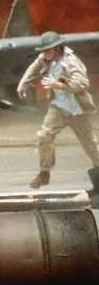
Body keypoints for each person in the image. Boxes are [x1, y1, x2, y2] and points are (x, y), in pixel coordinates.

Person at [17, 31, 99, 189]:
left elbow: (83, 84)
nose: (45, 53)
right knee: (44, 136)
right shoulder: (45, 58)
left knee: (91, 145)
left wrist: (59, 85)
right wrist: (23, 84)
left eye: (48, 50)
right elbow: (34, 67)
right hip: (58, 107)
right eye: (43, 50)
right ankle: (44, 172)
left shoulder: (71, 61)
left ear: (57, 48)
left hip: (77, 110)